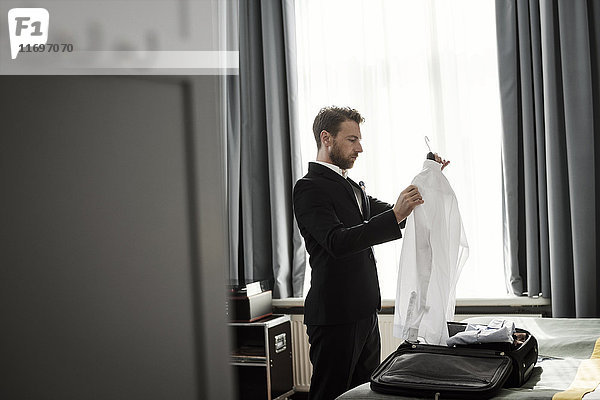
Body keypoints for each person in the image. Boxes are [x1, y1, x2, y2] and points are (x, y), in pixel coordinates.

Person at [293, 106, 448, 400]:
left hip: (365, 311)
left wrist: (429, 175)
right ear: (327, 138)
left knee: (365, 395)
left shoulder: (351, 186)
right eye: (352, 140)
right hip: (335, 315)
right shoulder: (308, 188)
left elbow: (397, 212)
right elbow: (337, 241)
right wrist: (395, 215)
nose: (360, 148)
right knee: (330, 394)